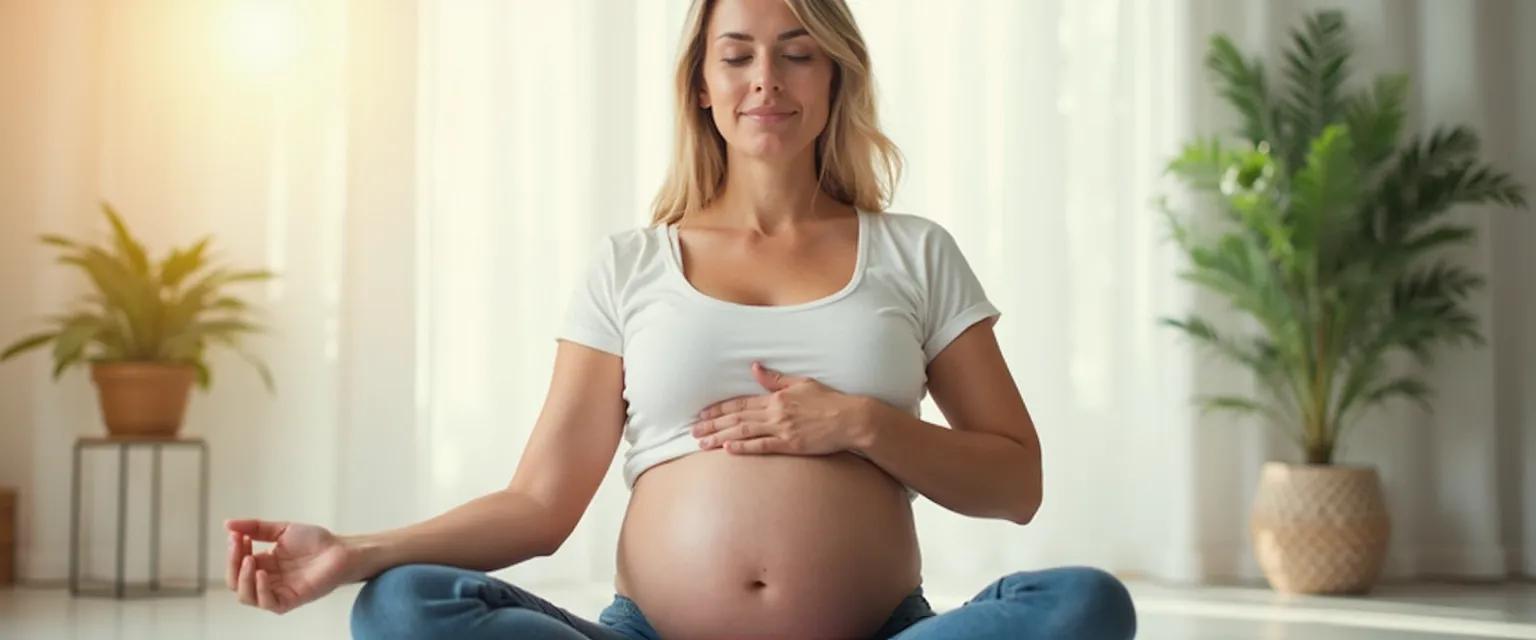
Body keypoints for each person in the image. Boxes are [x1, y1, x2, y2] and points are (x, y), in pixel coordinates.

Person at [224, 0, 1137, 637]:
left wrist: (860, 424)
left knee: (1085, 606)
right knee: (399, 607)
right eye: (736, 54)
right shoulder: (632, 264)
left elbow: (1016, 485)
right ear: (701, 85)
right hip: (652, 632)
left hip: (878, 629)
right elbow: (541, 507)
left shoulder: (914, 251)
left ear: (834, 78)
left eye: (797, 50)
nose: (765, 79)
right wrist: (351, 551)